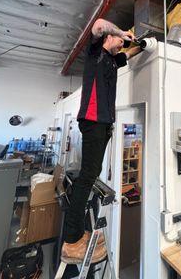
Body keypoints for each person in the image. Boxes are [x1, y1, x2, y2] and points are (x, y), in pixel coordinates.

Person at [62, 18, 141, 263]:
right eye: (118, 40)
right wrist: (122, 32)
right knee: (87, 177)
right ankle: (72, 239)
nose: (121, 43)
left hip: (104, 124)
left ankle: (75, 234)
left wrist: (144, 44)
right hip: (94, 122)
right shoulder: (96, 51)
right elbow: (98, 24)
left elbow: (129, 54)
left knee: (91, 174)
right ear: (109, 38)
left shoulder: (111, 60)